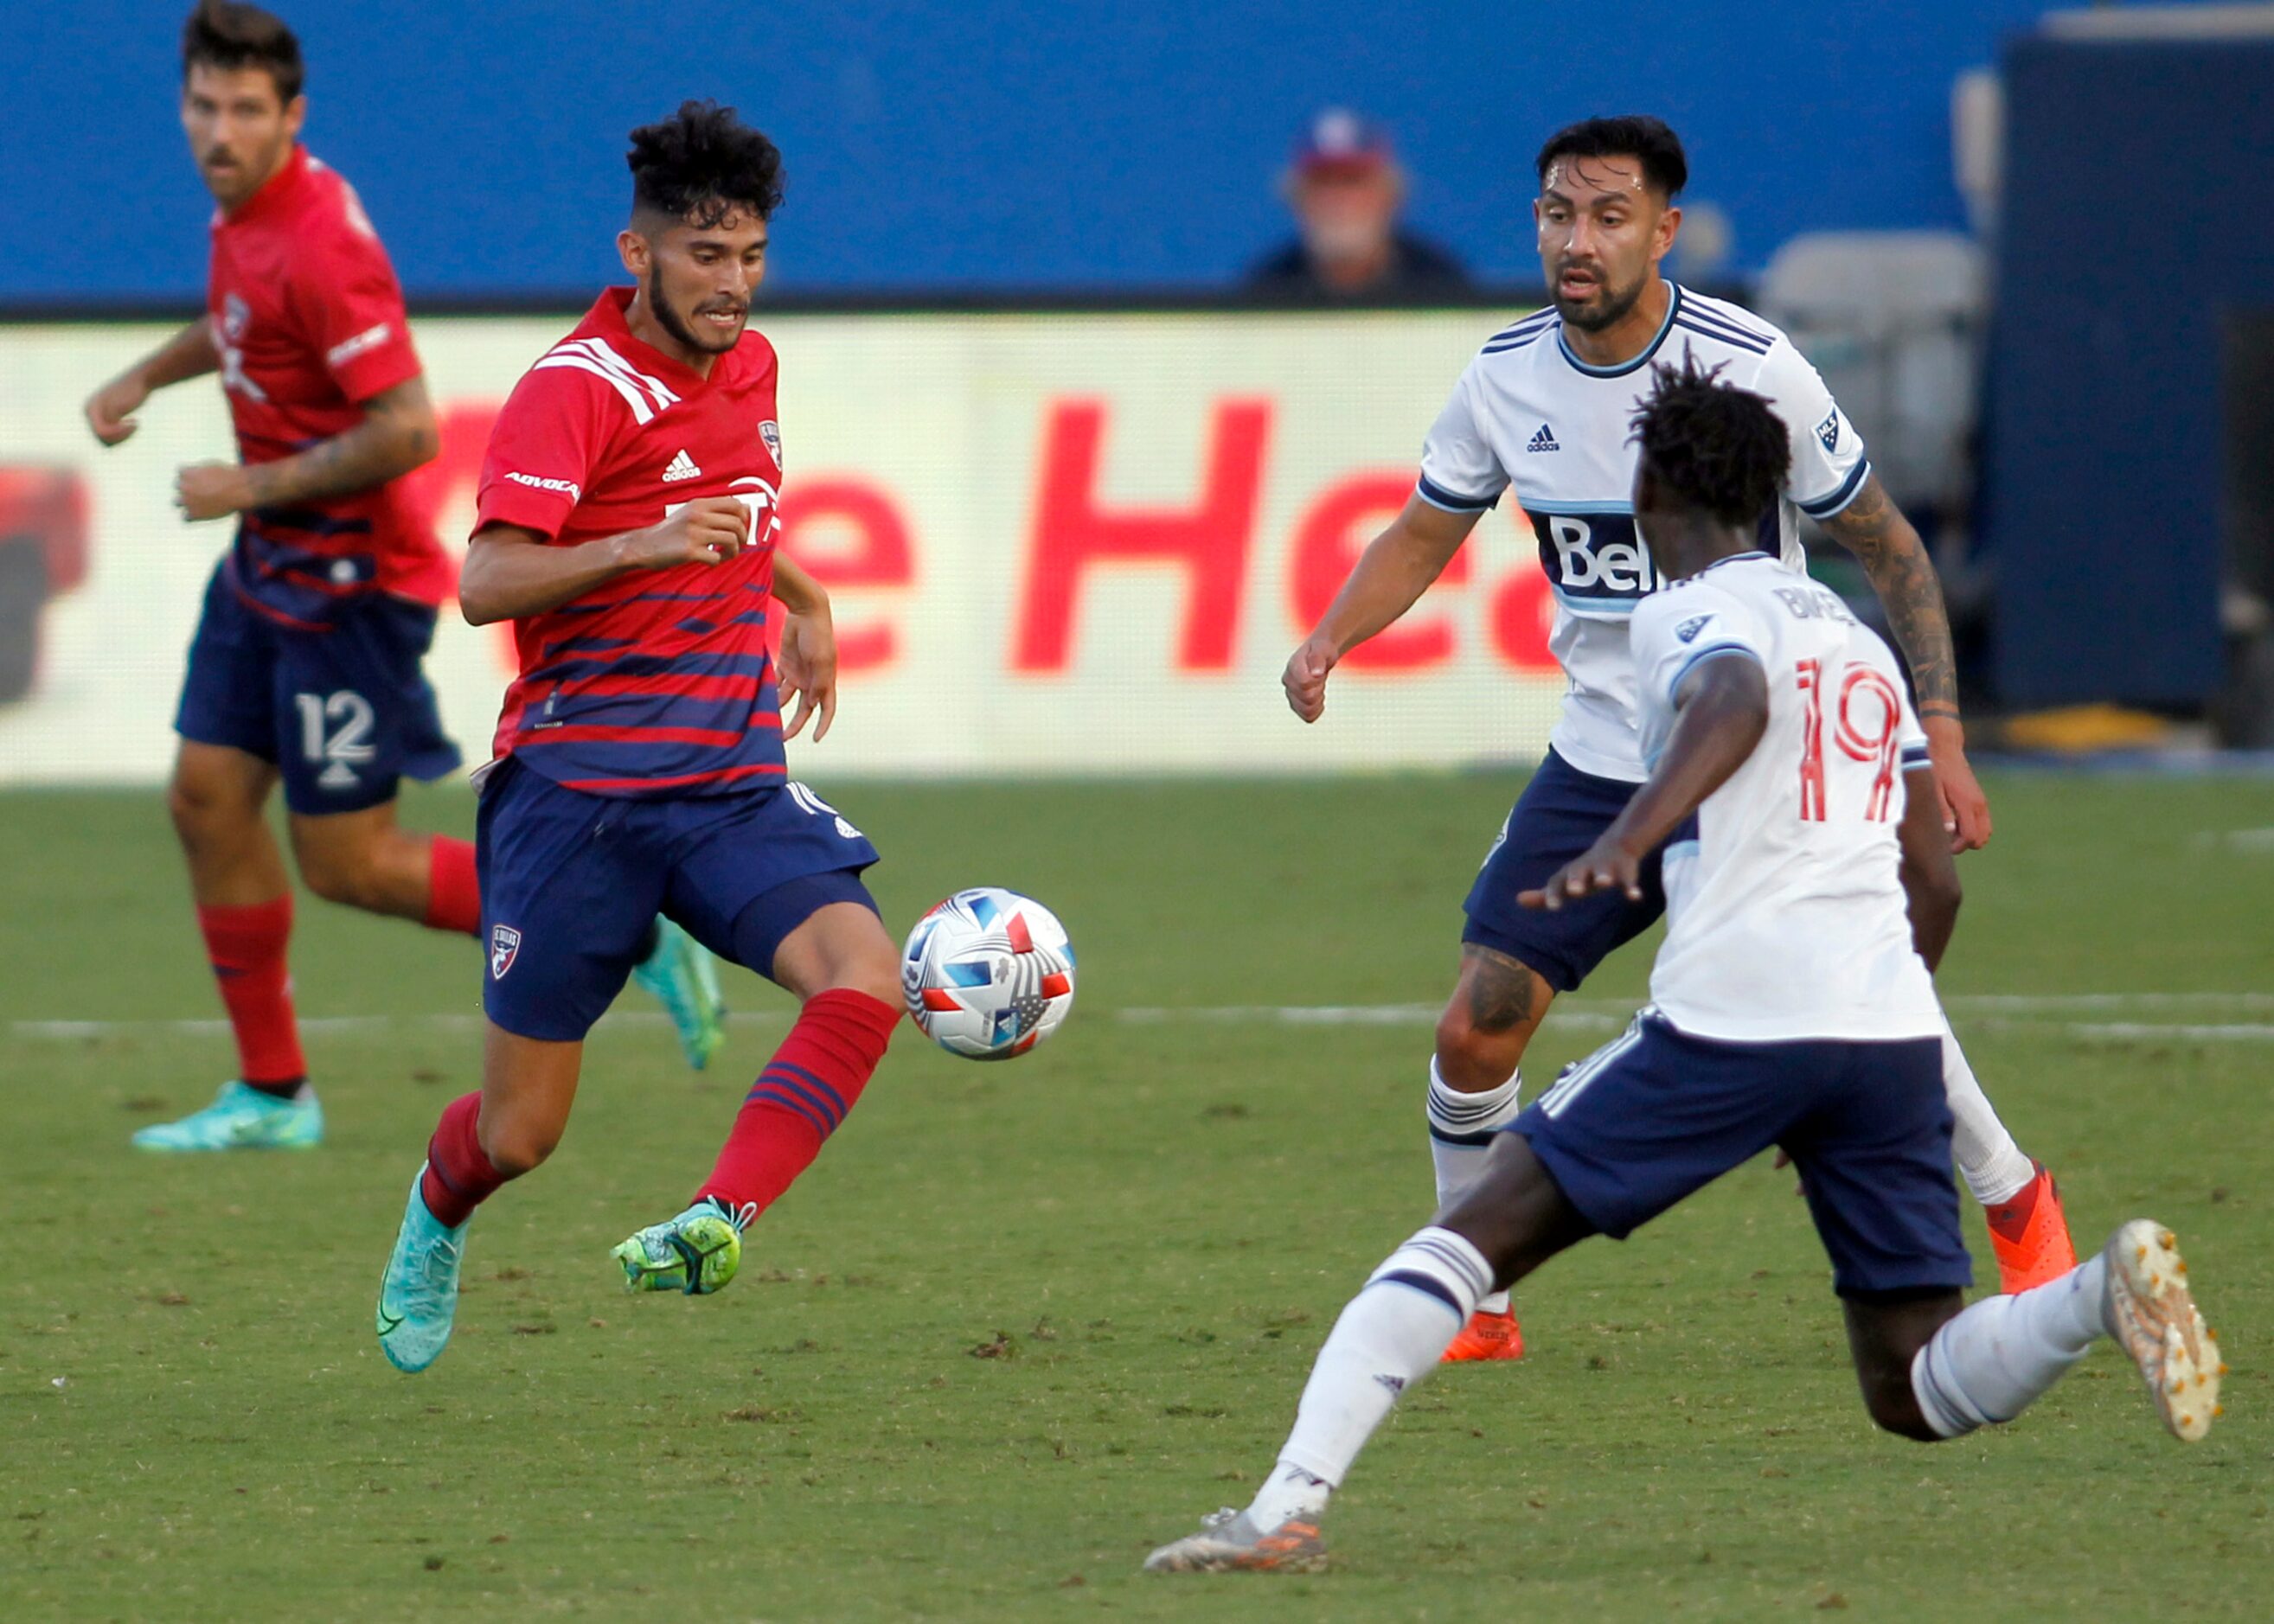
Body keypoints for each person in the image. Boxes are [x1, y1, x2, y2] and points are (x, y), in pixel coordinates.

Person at [1145, 360, 2222, 1574]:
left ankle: (1284, 1505)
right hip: (1878, 1039)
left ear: (1651, 488)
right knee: (1914, 1381)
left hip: (1730, 1021)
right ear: (1771, 492)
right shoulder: (1859, 641)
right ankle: (2095, 1294)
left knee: (1459, 1238)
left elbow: (1730, 701)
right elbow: (1937, 879)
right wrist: (1862, 1042)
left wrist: (1626, 836)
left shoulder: (1680, 612)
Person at [1283, 115, 2070, 1362]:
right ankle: (1476, 1302)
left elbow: (1888, 544)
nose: (1576, 241)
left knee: (1852, 993)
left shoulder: (1751, 362)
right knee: (1475, 1021)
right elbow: (1424, 531)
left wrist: (1945, 733)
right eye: (1556, 214)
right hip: (1607, 754)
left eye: (1606, 216)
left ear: (1666, 230)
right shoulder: (1502, 376)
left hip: (1767, 758)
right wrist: (1331, 637)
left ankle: (2015, 1191)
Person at [78, 3, 722, 1158]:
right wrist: (144, 374)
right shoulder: (249, 213)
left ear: (293, 117)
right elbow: (240, 323)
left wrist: (253, 482)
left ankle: (623, 925)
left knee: (351, 862)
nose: (218, 130)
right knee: (206, 799)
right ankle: (275, 1093)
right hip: (271, 565)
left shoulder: (322, 240)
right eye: (204, 105)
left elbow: (410, 428)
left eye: (244, 110)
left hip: (348, 586)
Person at [374, 101, 906, 1375]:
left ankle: (717, 1216)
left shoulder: (756, 368)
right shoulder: (574, 389)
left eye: (750, 257)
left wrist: (808, 600)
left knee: (867, 978)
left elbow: (742, 518)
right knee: (519, 1134)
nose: (732, 285)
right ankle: (435, 1213)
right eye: (705, 256)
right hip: (578, 796)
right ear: (638, 254)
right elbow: (487, 579)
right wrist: (642, 543)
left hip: (726, 783)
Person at [1245, 109, 1471, 301]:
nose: (1337, 201)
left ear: (1389, 195)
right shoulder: (1267, 289)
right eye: (1322, 183)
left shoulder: (1439, 282)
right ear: (1297, 198)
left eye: (1352, 181)